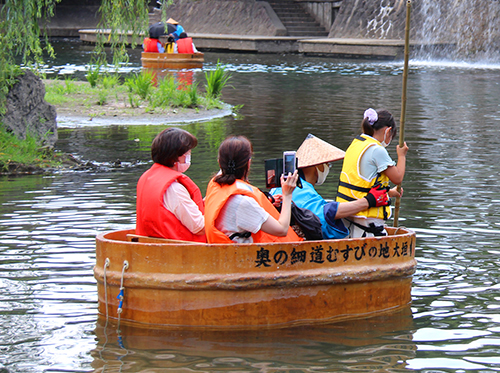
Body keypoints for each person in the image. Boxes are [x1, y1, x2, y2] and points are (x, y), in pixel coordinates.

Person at [270, 134, 390, 240]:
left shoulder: (282, 185)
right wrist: (369, 201)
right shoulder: (300, 189)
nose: (328, 167)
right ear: (317, 166)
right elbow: (326, 213)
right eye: (327, 164)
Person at [204, 136, 302, 244]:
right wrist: (287, 194)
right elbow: (282, 230)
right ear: (249, 163)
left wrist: (269, 201)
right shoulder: (242, 203)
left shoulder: (214, 185)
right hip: (242, 257)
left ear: (219, 163)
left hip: (221, 252)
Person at [336, 108, 409, 238]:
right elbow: (397, 177)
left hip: (348, 215)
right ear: (388, 131)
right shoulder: (377, 150)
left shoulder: (356, 143)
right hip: (367, 222)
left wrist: (388, 193)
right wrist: (401, 156)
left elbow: (363, 181)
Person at [136, 128, 206, 242]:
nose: (188, 155)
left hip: (153, 248)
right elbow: (199, 227)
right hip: (179, 253)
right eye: (187, 153)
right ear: (176, 156)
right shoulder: (174, 189)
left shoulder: (147, 177)